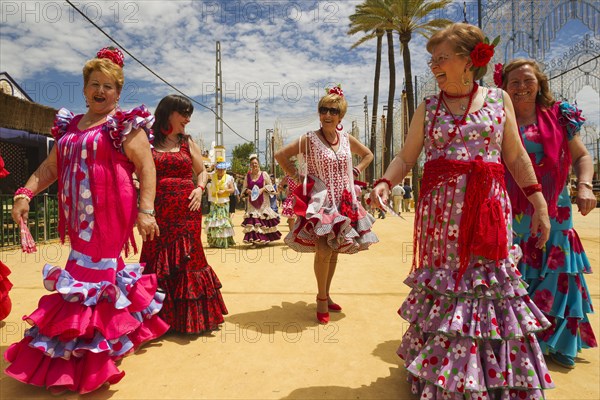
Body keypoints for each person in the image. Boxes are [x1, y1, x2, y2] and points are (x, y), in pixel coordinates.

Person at [370, 23, 554, 398]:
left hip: (487, 210)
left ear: (470, 60)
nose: (434, 66)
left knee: (489, 287)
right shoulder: (429, 107)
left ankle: (493, 378)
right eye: (431, 59)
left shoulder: (498, 99)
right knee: (450, 287)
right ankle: (445, 377)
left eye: (442, 58)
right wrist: (385, 181)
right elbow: (407, 156)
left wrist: (538, 202)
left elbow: (515, 156)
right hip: (442, 217)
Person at [6, 47, 169, 394]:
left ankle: (82, 358)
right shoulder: (69, 127)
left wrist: (146, 210)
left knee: (88, 275)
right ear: (84, 89)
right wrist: (25, 192)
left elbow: (147, 168)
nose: (101, 90)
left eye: (108, 86)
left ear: (118, 92)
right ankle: (121, 331)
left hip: (111, 215)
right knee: (103, 273)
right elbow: (51, 168)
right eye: (95, 83)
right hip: (79, 219)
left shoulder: (125, 126)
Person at [499, 59, 597, 368]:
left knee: (557, 276)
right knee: (516, 275)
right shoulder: (499, 117)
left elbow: (581, 156)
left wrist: (583, 185)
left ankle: (551, 342)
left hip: (555, 211)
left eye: (527, 80)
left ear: (540, 83)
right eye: (513, 82)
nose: (521, 86)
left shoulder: (559, 116)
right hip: (513, 212)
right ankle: (518, 340)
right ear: (503, 87)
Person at [275, 85, 378, 324]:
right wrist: (298, 177)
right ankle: (321, 299)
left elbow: (368, 155)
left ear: (340, 115)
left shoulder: (345, 139)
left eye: (332, 110)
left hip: (343, 200)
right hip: (320, 202)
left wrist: (356, 169)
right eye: (323, 110)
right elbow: (280, 155)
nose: (327, 114)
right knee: (323, 249)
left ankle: (327, 293)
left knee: (333, 250)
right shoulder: (309, 139)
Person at [139, 94, 227, 333]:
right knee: (156, 259)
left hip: (188, 212)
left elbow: (202, 172)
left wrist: (199, 189)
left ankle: (190, 320)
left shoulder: (188, 143)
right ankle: (157, 321)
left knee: (190, 259)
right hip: (158, 213)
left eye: (190, 114)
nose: (188, 119)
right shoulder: (147, 142)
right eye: (183, 113)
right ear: (168, 112)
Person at [240, 155, 281, 244]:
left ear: (258, 164)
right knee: (254, 220)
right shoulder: (248, 176)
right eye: (252, 163)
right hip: (252, 202)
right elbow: (243, 188)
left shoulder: (264, 174)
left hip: (263, 202)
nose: (254, 165)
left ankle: (264, 239)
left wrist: (262, 189)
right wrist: (248, 191)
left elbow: (270, 186)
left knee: (263, 219)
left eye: (255, 163)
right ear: (250, 165)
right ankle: (254, 240)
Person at [205, 157, 236, 248]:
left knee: (223, 223)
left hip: (224, 202)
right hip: (214, 203)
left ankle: (223, 242)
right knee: (214, 222)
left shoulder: (229, 178)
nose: (221, 171)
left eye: (222, 169)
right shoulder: (212, 175)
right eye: (219, 168)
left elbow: (232, 190)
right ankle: (214, 242)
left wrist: (225, 191)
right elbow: (203, 174)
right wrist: (210, 168)